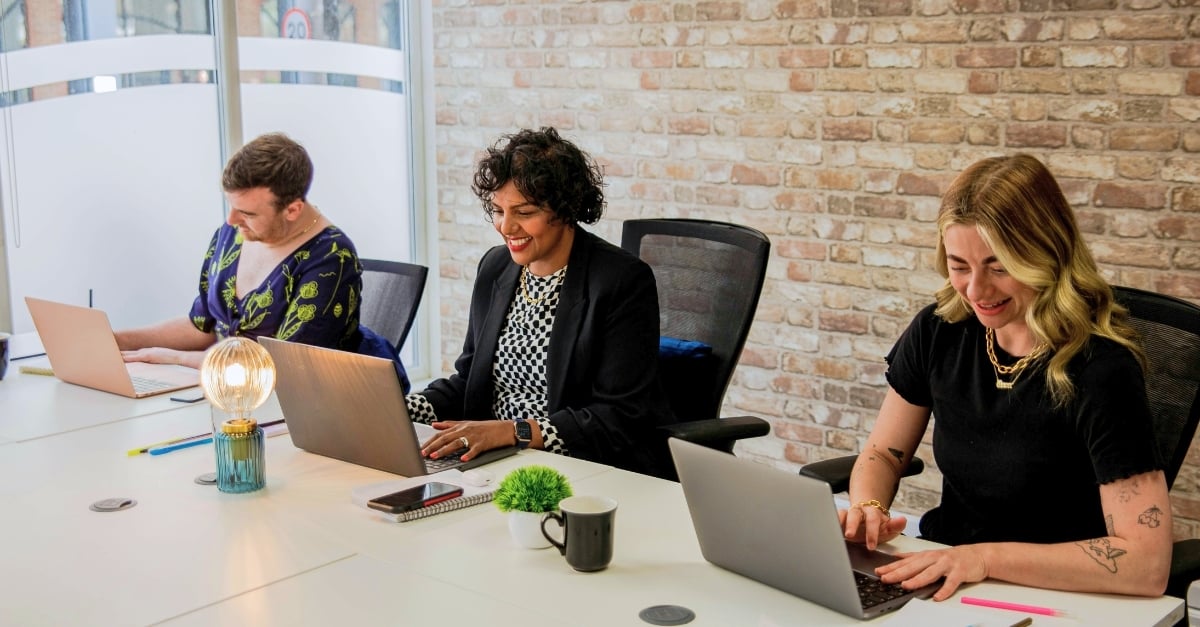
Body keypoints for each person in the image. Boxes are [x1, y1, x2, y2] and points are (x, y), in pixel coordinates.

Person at [840, 154, 1172, 600]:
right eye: (959, 266)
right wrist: (868, 507)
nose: (976, 290)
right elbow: (883, 452)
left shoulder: (1102, 370)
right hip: (947, 575)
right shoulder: (940, 330)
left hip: (1057, 595)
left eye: (999, 267)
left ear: (1045, 255)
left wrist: (984, 558)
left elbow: (1145, 564)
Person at [406, 127, 674, 476]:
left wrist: (512, 432)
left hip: (579, 464)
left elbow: (617, 417)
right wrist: (402, 410)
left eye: (524, 212)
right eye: (497, 210)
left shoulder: (620, 281)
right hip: (492, 460)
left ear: (565, 210)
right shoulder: (496, 267)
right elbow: (469, 380)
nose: (506, 227)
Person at [116, 133, 408, 390]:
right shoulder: (234, 233)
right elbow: (202, 327)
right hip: (228, 389)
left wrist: (177, 359)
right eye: (232, 206)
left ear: (293, 209)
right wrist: (119, 341)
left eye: (249, 213)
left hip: (305, 406)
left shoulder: (331, 257)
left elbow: (284, 367)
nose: (232, 220)